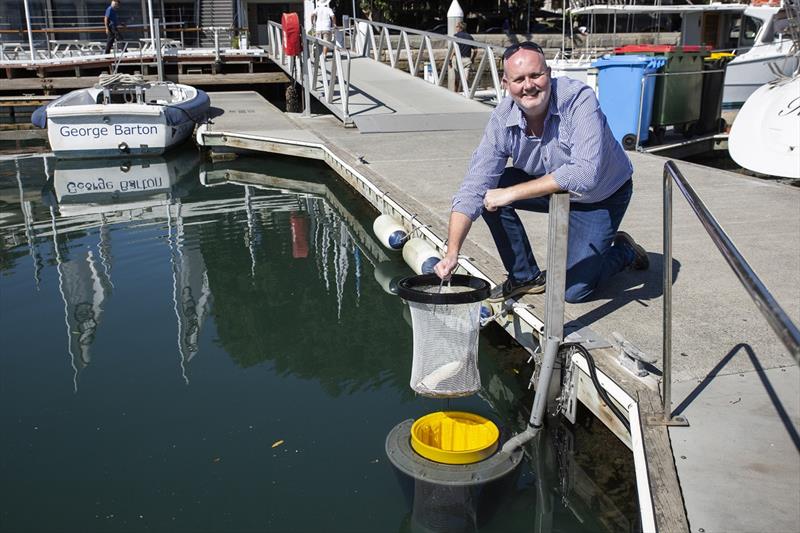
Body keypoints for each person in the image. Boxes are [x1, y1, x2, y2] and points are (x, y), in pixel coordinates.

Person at [434, 41, 649, 304]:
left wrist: (510, 193)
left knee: (573, 292)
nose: (528, 86)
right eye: (519, 79)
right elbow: (473, 187)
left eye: (536, 75)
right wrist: (452, 252)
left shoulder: (578, 99)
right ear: (505, 83)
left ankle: (625, 252)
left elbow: (584, 174)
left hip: (601, 196)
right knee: (487, 193)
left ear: (548, 73)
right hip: (553, 187)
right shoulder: (502, 119)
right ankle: (525, 277)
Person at [452, 21, 476, 93]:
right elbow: (475, 50)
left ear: (460, 28)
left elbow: (454, 49)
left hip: (458, 59)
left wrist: (450, 59)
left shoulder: (456, 36)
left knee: (457, 78)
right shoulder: (470, 37)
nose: (456, 28)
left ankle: (456, 93)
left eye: (457, 27)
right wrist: (472, 59)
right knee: (465, 79)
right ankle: (465, 93)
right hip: (467, 60)